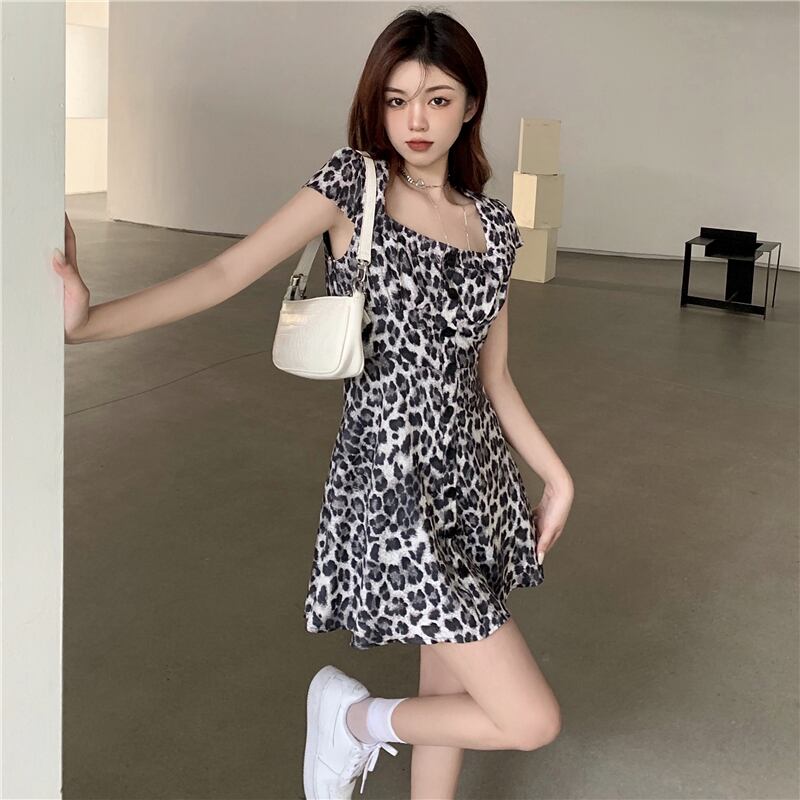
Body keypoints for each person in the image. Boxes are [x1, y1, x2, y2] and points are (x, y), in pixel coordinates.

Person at [53, 8, 574, 800]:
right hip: (392, 487)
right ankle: (353, 722)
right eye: (396, 100)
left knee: (448, 683)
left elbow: (493, 378)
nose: (416, 120)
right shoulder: (352, 186)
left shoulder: (495, 227)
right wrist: (89, 324)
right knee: (530, 718)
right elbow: (225, 275)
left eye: (437, 99)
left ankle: (371, 736)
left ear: (471, 104)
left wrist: (556, 477)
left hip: (473, 484)